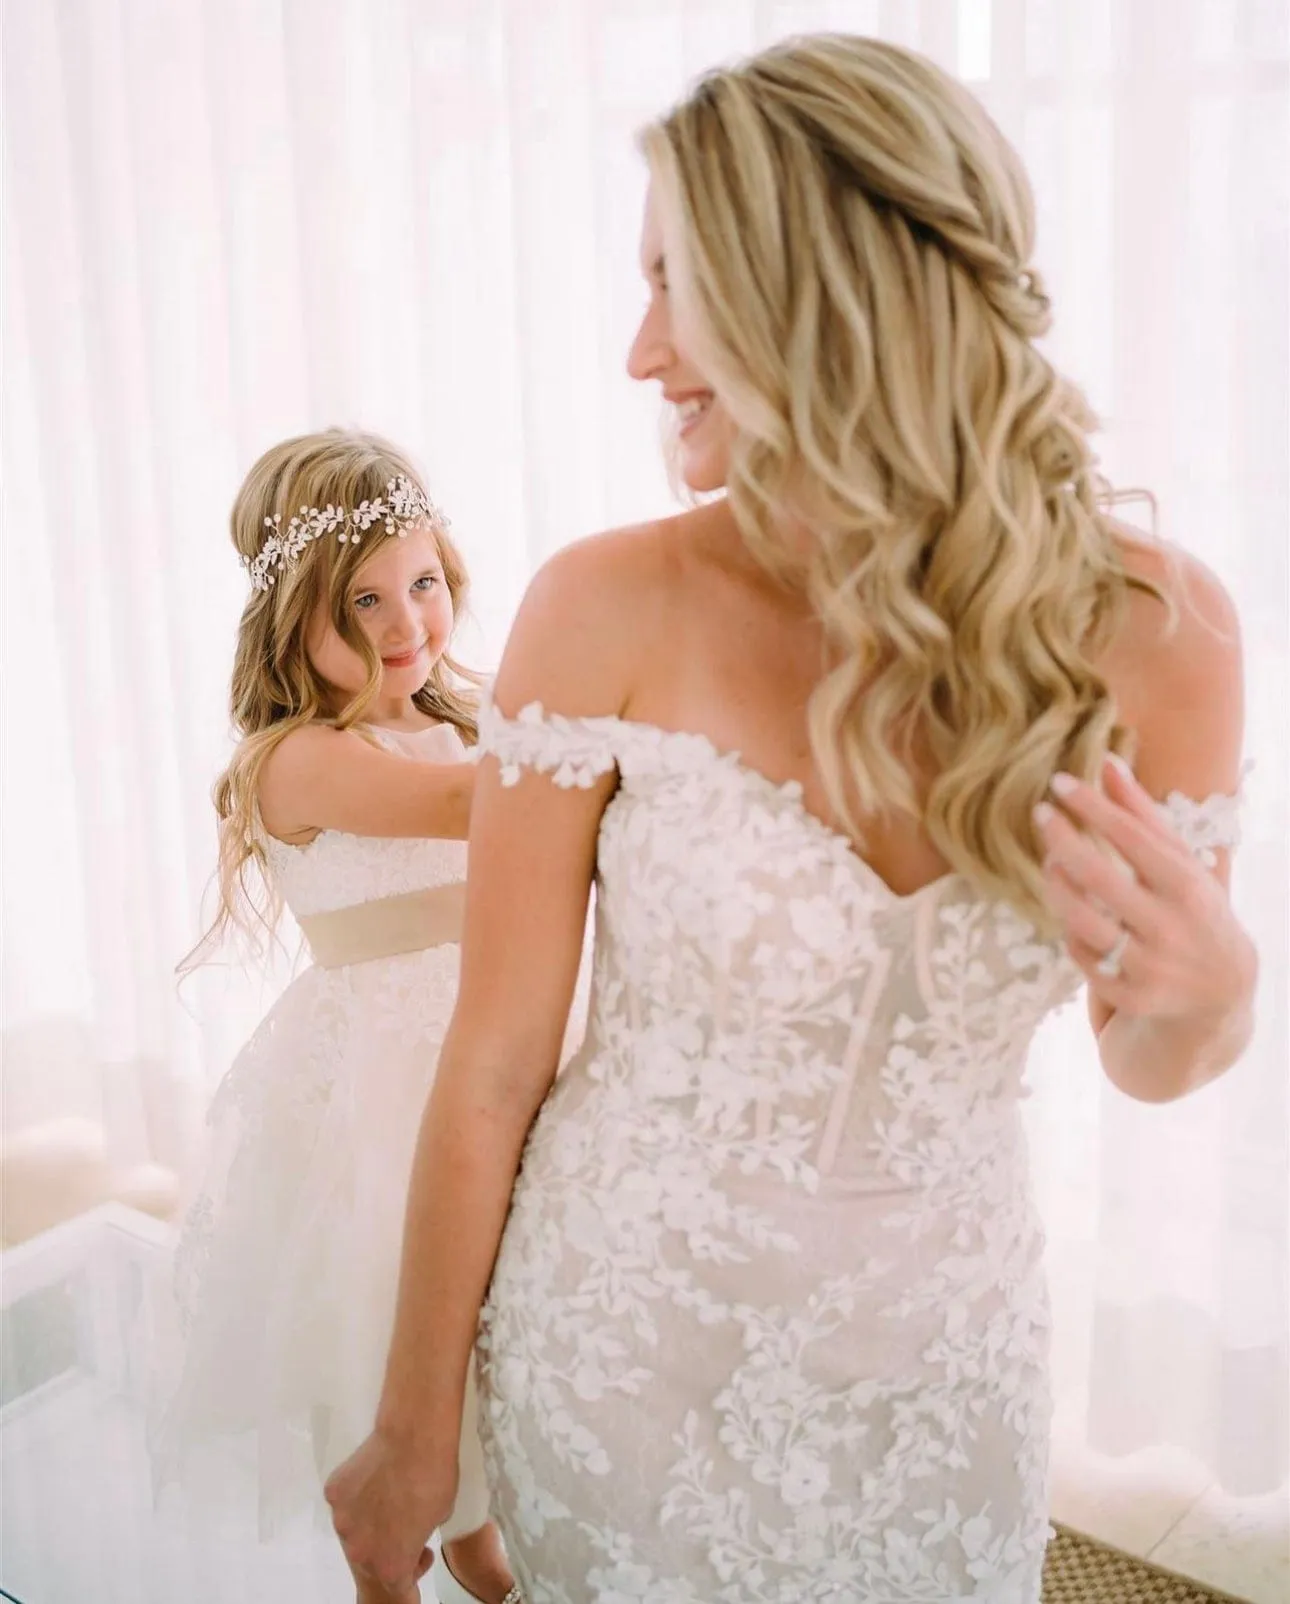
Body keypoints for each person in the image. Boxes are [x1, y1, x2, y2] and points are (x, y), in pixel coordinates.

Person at [325, 36, 1257, 1604]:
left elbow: (1147, 1056)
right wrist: (417, 1429)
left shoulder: (1162, 636)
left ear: (817, 291)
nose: (638, 352)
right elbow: (492, 1062)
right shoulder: (599, 605)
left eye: (673, 284)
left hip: (940, 1371)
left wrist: (1219, 994)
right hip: (619, 1349)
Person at [149, 429, 521, 1604]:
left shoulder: (463, 718)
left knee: (490, 1336)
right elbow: (476, 804)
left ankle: (482, 1546)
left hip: (493, 1058)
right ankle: (391, 1567)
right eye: (361, 599)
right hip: (379, 1097)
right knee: (381, 1332)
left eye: (423, 582)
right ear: (288, 614)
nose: (405, 622)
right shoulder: (296, 760)